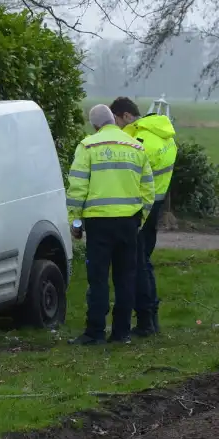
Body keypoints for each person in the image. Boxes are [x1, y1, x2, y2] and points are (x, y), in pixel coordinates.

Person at [66, 104, 156, 345]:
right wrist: (141, 218)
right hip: (129, 223)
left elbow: (77, 188)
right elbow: (149, 188)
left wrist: (75, 221)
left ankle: (95, 332)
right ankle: (122, 333)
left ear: (95, 125)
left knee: (98, 279)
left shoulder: (88, 146)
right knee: (125, 278)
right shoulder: (136, 146)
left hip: (98, 223)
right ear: (113, 121)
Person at [109, 97, 177, 337]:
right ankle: (149, 319)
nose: (115, 126)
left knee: (138, 264)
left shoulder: (140, 140)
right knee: (143, 260)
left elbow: (129, 174)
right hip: (156, 201)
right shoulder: (162, 134)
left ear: (126, 115)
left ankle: (146, 320)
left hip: (141, 205)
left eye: (116, 120)